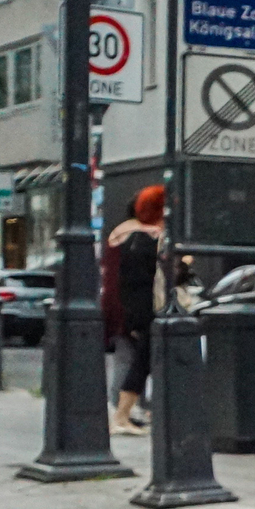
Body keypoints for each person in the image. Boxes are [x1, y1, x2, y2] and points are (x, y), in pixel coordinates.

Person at [106, 185, 166, 433]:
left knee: (134, 359)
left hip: (123, 307)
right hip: (140, 309)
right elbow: (141, 280)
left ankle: (128, 413)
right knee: (139, 360)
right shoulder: (143, 238)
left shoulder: (124, 235)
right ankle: (122, 415)